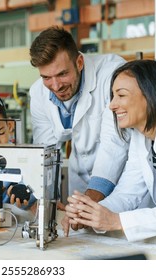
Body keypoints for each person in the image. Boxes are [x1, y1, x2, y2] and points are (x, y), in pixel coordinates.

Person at [64, 59, 156, 241]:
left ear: (150, 95)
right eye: (112, 96)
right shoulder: (141, 137)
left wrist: (118, 221)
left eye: (121, 95)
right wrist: (91, 213)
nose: (111, 105)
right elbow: (128, 192)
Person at [29, 26, 130, 211]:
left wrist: (90, 199)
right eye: (46, 77)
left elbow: (114, 142)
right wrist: (44, 199)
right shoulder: (38, 92)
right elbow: (45, 152)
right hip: (80, 191)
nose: (56, 85)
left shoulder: (113, 74)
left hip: (121, 189)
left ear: (80, 62)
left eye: (62, 74)